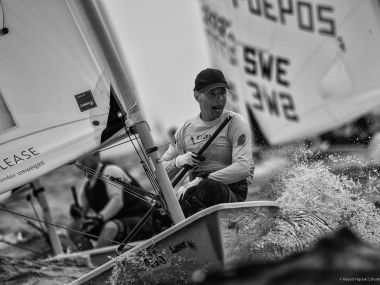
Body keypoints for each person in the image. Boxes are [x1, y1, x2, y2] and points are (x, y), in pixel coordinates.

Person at [160, 68, 253, 217]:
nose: (220, 99)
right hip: (197, 196)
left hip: (228, 194)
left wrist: (200, 180)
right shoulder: (185, 130)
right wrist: (180, 161)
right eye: (212, 93)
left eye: (222, 92)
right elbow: (160, 171)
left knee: (207, 187)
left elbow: (243, 168)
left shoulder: (235, 122)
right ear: (197, 96)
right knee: (160, 210)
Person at [67, 153, 153, 250]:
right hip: (118, 223)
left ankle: (96, 261)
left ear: (97, 155)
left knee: (110, 228)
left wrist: (99, 218)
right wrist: (76, 214)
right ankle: (87, 257)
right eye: (79, 159)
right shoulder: (85, 187)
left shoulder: (111, 170)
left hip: (144, 219)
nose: (82, 161)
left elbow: (117, 201)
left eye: (85, 157)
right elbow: (82, 214)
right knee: (73, 228)